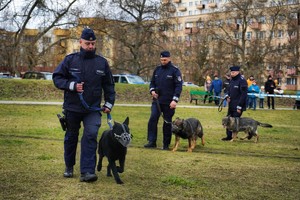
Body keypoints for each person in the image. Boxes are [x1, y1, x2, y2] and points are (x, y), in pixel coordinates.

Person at [52, 28, 116, 182]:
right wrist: (72, 85)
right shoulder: (70, 60)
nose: (90, 46)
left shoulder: (102, 63)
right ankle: (69, 166)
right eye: (87, 43)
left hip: (92, 109)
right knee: (71, 137)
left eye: (93, 43)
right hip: (72, 107)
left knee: (91, 135)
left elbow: (109, 86)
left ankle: (87, 172)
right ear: (80, 42)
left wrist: (108, 103)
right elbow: (57, 78)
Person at [144, 51, 183, 150]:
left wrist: (175, 100)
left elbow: (178, 86)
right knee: (152, 119)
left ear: (169, 58)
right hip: (157, 101)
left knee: (167, 123)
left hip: (169, 102)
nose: (163, 61)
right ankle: (151, 141)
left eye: (165, 60)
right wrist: (152, 90)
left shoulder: (175, 71)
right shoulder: (157, 70)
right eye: (161, 60)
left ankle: (166, 144)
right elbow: (152, 83)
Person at [222, 66, 248, 141]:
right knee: (228, 120)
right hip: (231, 104)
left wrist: (239, 107)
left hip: (238, 105)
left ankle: (234, 136)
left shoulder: (242, 81)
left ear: (237, 72)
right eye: (231, 72)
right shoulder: (232, 80)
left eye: (233, 72)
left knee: (235, 121)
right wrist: (227, 96)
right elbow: (228, 90)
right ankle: (229, 136)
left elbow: (244, 95)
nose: (231, 74)